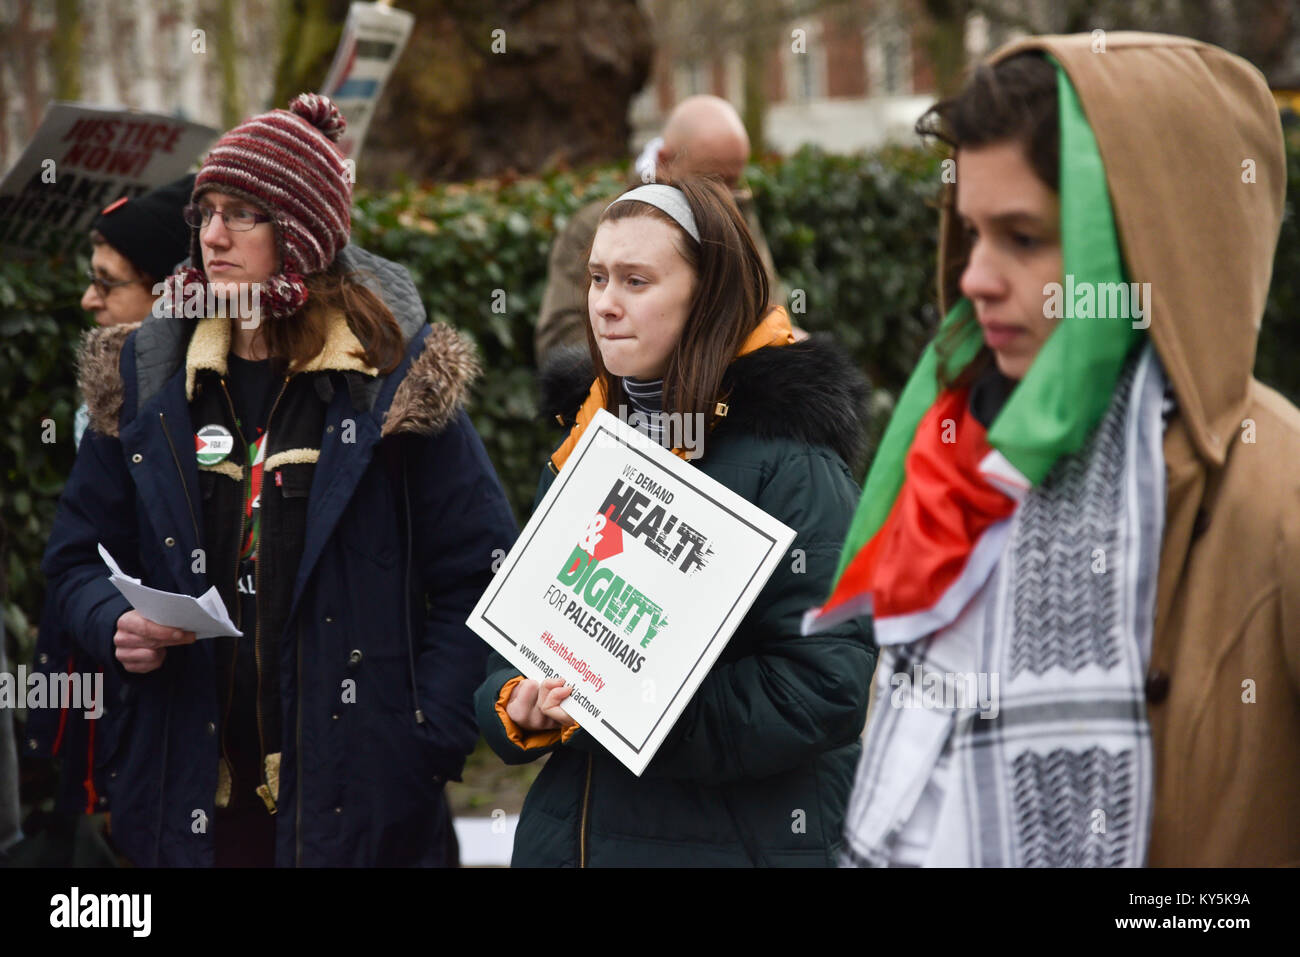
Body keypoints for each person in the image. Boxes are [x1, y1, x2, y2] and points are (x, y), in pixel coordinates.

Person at [807, 33, 1300, 867]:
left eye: (1024, 238)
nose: (975, 277)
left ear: (1151, 248)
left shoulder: (1275, 496)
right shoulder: (953, 468)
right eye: (971, 233)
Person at [40, 94, 518, 867]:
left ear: (302, 232)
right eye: (206, 212)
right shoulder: (149, 376)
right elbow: (74, 561)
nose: (213, 236)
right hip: (182, 802)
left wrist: (417, 735)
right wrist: (111, 621)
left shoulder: (389, 378)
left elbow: (483, 575)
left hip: (359, 812)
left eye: (244, 214)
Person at [475, 177, 875, 866]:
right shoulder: (584, 442)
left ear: (709, 296)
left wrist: (641, 708)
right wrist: (520, 702)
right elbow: (517, 636)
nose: (604, 303)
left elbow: (826, 685)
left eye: (636, 280)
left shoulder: (795, 464)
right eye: (597, 277)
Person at [534, 95, 788, 362]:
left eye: (733, 180)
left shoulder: (737, 211)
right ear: (664, 160)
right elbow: (558, 341)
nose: (723, 195)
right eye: (709, 180)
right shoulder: (600, 225)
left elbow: (770, 304)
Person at [74, 174, 196, 448]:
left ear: (167, 294)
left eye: (107, 282)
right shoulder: (96, 405)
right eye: (92, 279)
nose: (88, 300)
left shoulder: (198, 412)